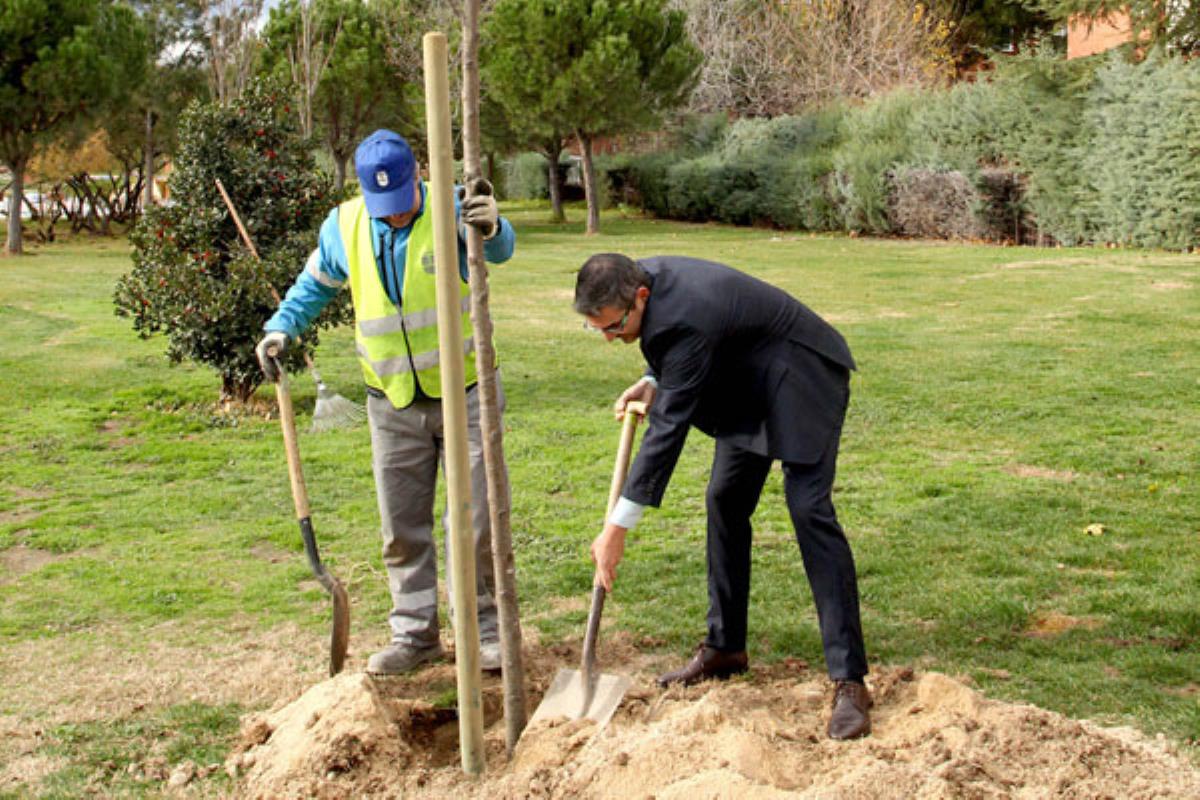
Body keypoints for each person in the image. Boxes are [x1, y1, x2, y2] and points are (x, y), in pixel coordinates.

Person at [573, 253, 871, 740]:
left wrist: (616, 528)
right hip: (747, 382)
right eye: (597, 329)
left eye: (612, 326)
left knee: (809, 510)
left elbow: (668, 429)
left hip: (803, 377)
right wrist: (654, 380)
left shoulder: (682, 311)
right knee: (725, 500)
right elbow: (678, 347)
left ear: (640, 297)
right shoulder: (634, 280)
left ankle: (850, 681)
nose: (608, 338)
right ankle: (725, 648)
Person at [256, 129, 515, 675]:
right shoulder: (345, 225)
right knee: (401, 528)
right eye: (383, 208)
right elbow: (313, 287)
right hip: (391, 402)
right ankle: (415, 636)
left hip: (466, 395)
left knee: (474, 524)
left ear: (418, 174)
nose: (393, 216)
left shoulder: (452, 208)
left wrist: (493, 225)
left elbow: (500, 248)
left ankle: (486, 632)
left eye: (400, 204)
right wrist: (281, 329)